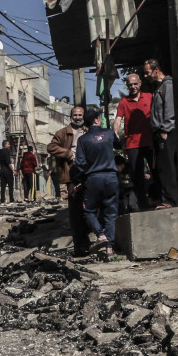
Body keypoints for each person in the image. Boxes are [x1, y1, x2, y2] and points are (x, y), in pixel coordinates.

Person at [74, 106, 120, 257]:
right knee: (110, 213)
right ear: (96, 120)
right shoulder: (109, 133)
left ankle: (100, 235)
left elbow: (80, 163)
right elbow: (119, 145)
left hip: (93, 179)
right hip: (111, 178)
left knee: (88, 211)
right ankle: (110, 249)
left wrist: (80, 180)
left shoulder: (83, 140)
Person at [47, 105, 91, 256]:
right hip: (72, 174)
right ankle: (80, 246)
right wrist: (67, 153)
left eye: (80, 115)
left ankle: (94, 242)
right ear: (71, 116)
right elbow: (51, 147)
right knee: (75, 211)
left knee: (90, 209)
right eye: (75, 115)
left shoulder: (88, 130)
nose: (78, 117)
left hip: (89, 174)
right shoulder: (63, 132)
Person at [113, 72, 156, 209]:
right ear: (127, 86)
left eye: (135, 84)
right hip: (132, 143)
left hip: (149, 140)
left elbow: (158, 113)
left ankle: (158, 198)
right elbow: (118, 119)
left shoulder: (150, 97)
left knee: (156, 170)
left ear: (140, 83)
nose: (133, 87)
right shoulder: (124, 102)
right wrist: (115, 132)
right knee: (137, 175)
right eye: (130, 85)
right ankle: (143, 204)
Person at [145, 58, 178, 208]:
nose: (146, 76)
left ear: (156, 70)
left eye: (147, 73)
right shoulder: (158, 87)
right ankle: (168, 198)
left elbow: (170, 110)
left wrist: (165, 130)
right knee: (161, 167)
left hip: (167, 133)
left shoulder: (168, 86)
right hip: (159, 133)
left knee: (167, 167)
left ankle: (171, 200)